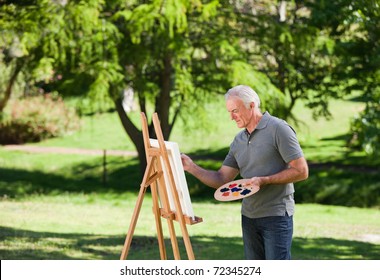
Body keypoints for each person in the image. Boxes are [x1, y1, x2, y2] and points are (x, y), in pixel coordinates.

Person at [181, 85, 308, 260]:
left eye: (235, 111)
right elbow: (221, 179)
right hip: (248, 216)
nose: (231, 117)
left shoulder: (279, 129)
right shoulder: (238, 140)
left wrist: (265, 180)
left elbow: (301, 171)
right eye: (229, 112)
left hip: (276, 216)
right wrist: (191, 167)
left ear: (252, 105)